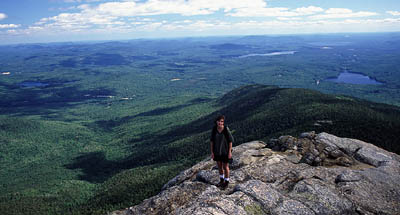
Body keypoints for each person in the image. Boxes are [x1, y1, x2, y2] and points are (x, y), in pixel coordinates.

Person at [210, 115, 234, 189]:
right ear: (216, 122)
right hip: (217, 151)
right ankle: (221, 180)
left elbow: (230, 141)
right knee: (219, 166)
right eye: (219, 121)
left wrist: (229, 152)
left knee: (225, 167)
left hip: (225, 151)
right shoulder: (214, 129)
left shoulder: (226, 129)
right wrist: (212, 152)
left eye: (222, 121)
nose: (220, 123)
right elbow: (211, 141)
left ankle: (226, 182)